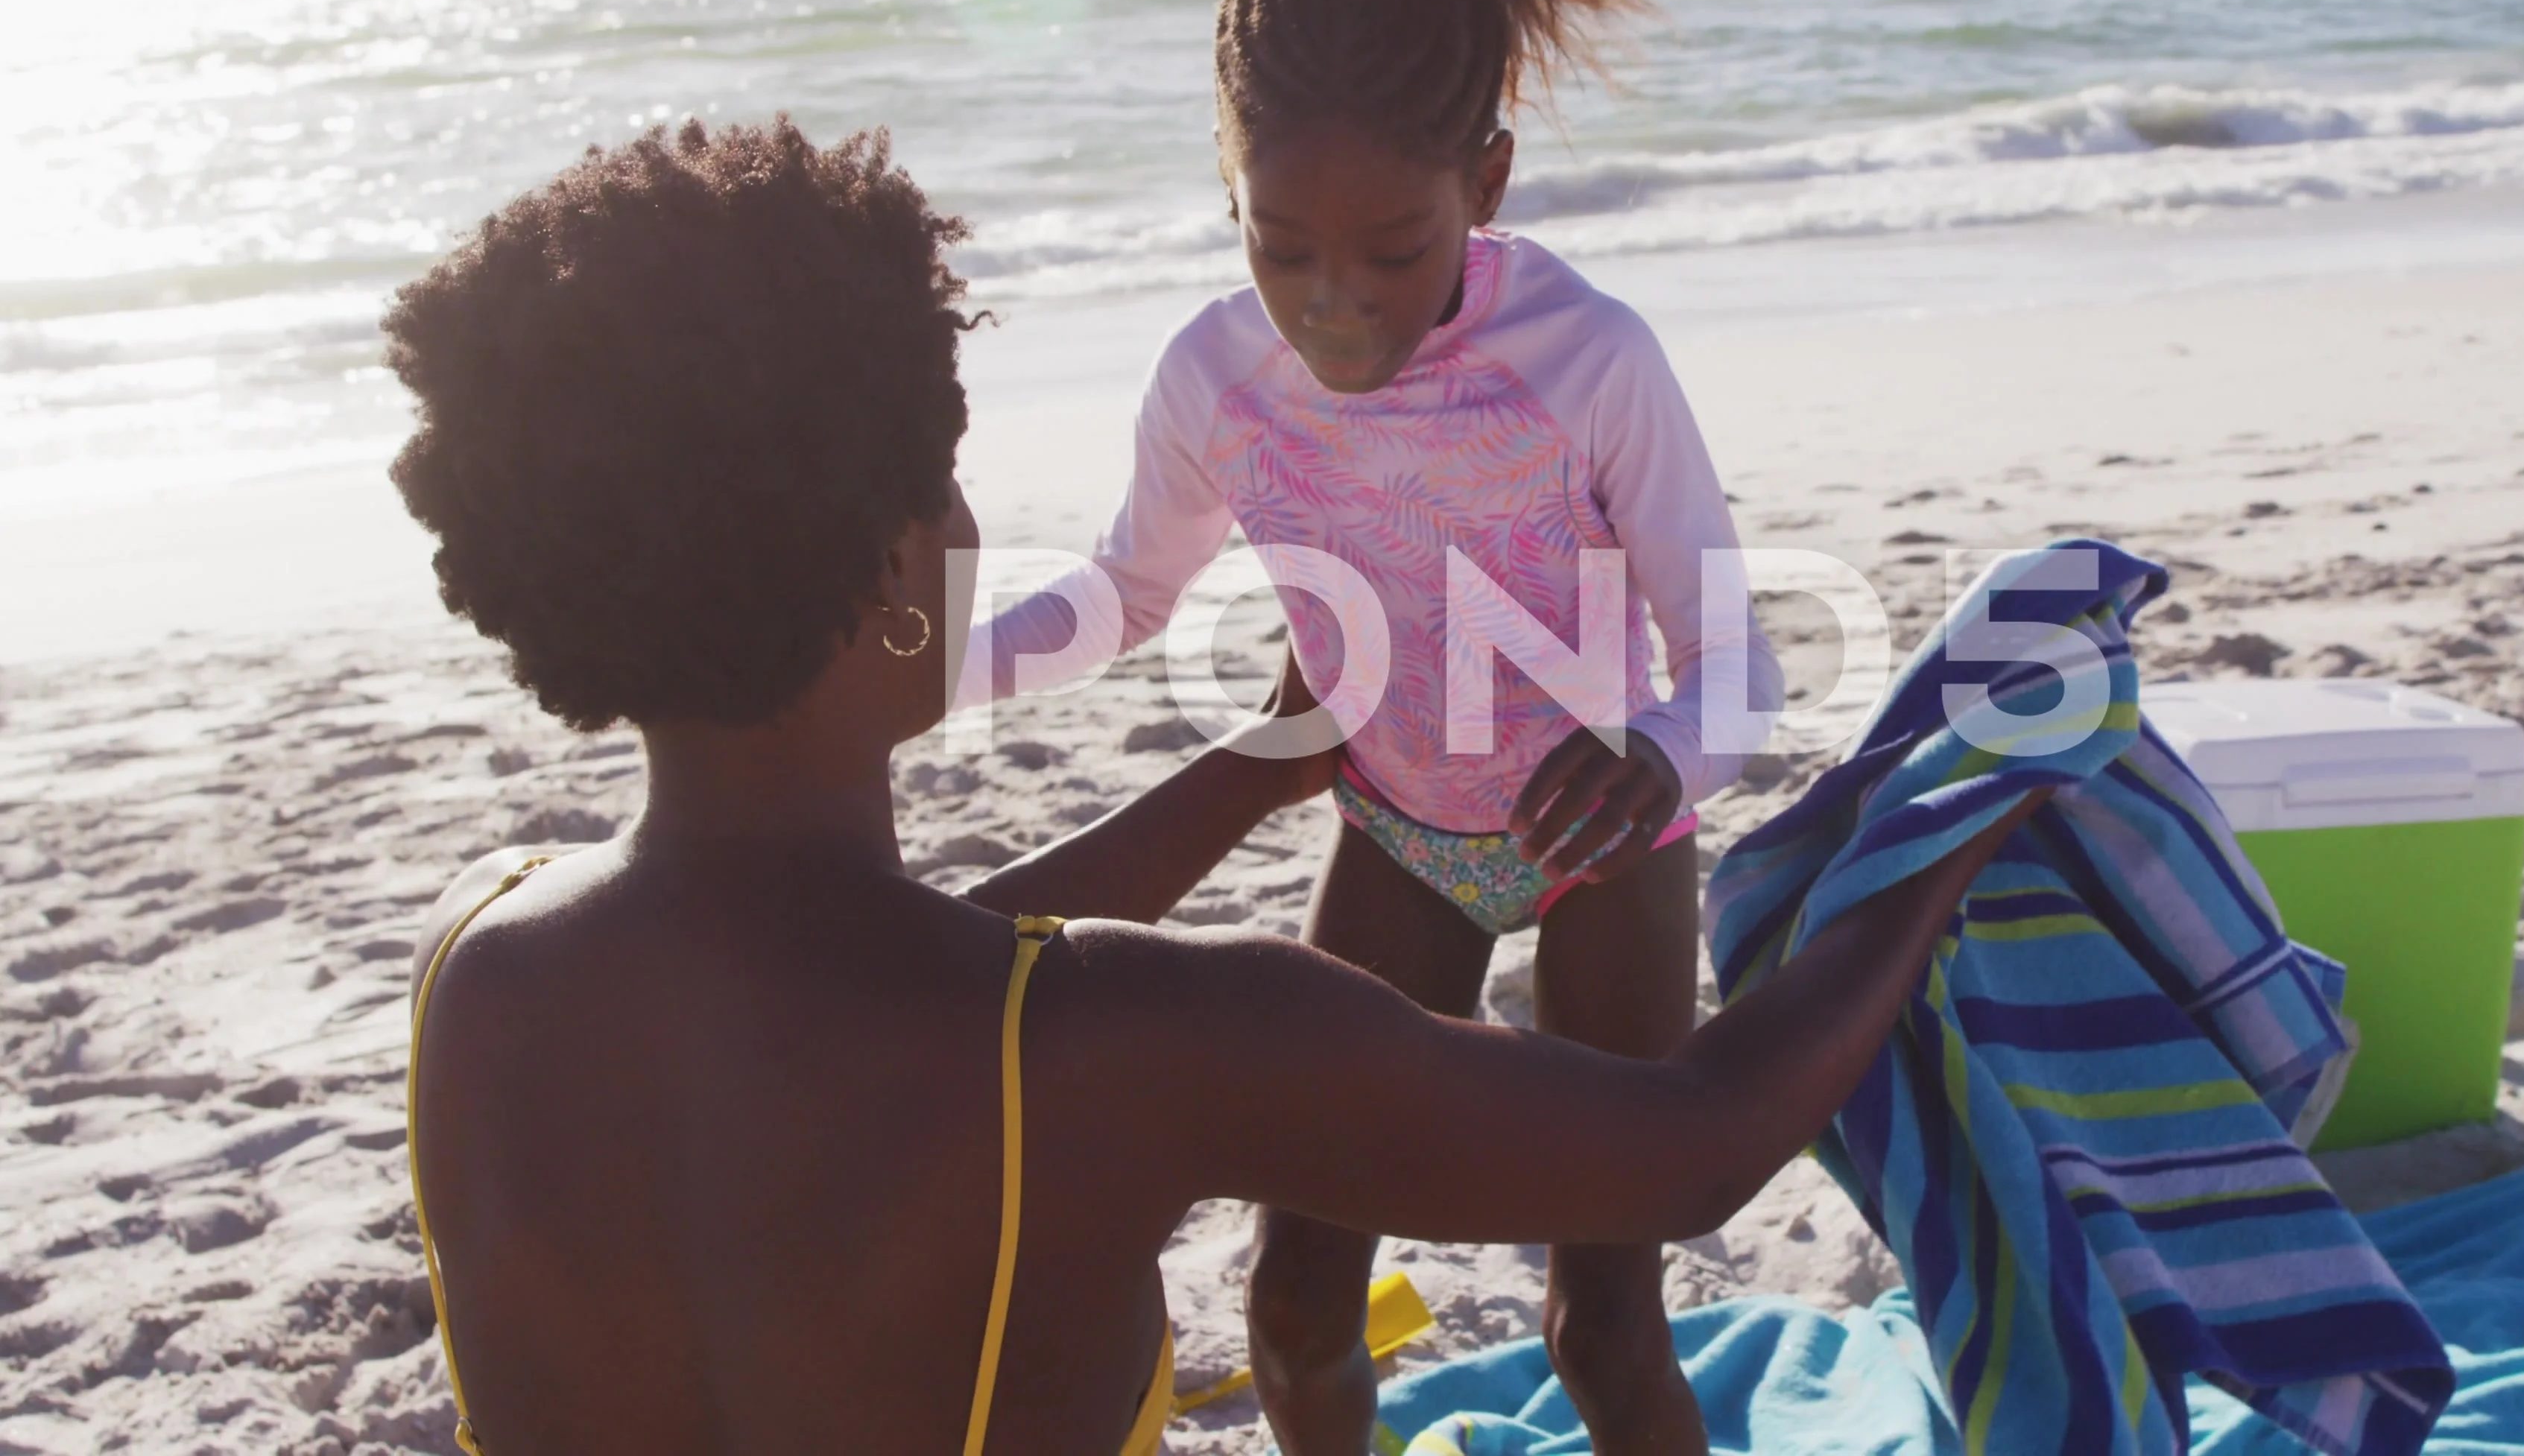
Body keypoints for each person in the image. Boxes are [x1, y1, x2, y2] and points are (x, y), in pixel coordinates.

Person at [388, 118, 2031, 1455]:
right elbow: (1688, 1148)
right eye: (946, 489)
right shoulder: (1130, 1038)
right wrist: (1941, 827)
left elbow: (877, 978)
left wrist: (1247, 774)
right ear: (899, 560)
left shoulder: (486, 965)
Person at [965, 0, 1778, 1448]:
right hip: (1394, 837)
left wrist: (1658, 757)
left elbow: (1739, 658)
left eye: (1392, 253)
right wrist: (926, 661)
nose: (1333, 308)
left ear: (1485, 180)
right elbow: (1126, 597)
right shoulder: (1215, 376)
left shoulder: (1587, 360)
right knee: (1290, 1301)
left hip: (1604, 853)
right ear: (1229, 197)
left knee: (1601, 1322)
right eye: (1281, 249)